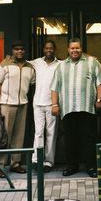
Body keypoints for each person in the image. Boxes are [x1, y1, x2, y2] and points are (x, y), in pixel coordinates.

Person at [51, 38, 101, 178]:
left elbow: (99, 82)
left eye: (77, 48)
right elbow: (54, 87)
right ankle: (71, 166)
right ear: (68, 50)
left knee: (89, 139)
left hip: (87, 108)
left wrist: (99, 99)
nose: (75, 50)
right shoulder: (61, 66)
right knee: (70, 139)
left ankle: (91, 166)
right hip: (68, 108)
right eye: (72, 48)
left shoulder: (93, 62)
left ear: (82, 49)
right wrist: (55, 104)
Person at [0, 40, 35, 178]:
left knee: (18, 136)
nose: (19, 51)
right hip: (6, 104)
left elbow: (33, 84)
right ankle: (0, 165)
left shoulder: (30, 67)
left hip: (23, 104)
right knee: (5, 136)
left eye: (22, 49)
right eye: (16, 49)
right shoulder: (4, 65)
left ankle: (15, 163)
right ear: (13, 51)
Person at [30, 40, 60, 172]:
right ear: (43, 50)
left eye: (51, 48)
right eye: (47, 48)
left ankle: (48, 162)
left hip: (52, 104)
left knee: (51, 134)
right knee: (38, 133)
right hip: (37, 103)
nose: (49, 50)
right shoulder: (37, 62)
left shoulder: (60, 64)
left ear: (55, 50)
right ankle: (36, 160)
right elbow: (21, 61)